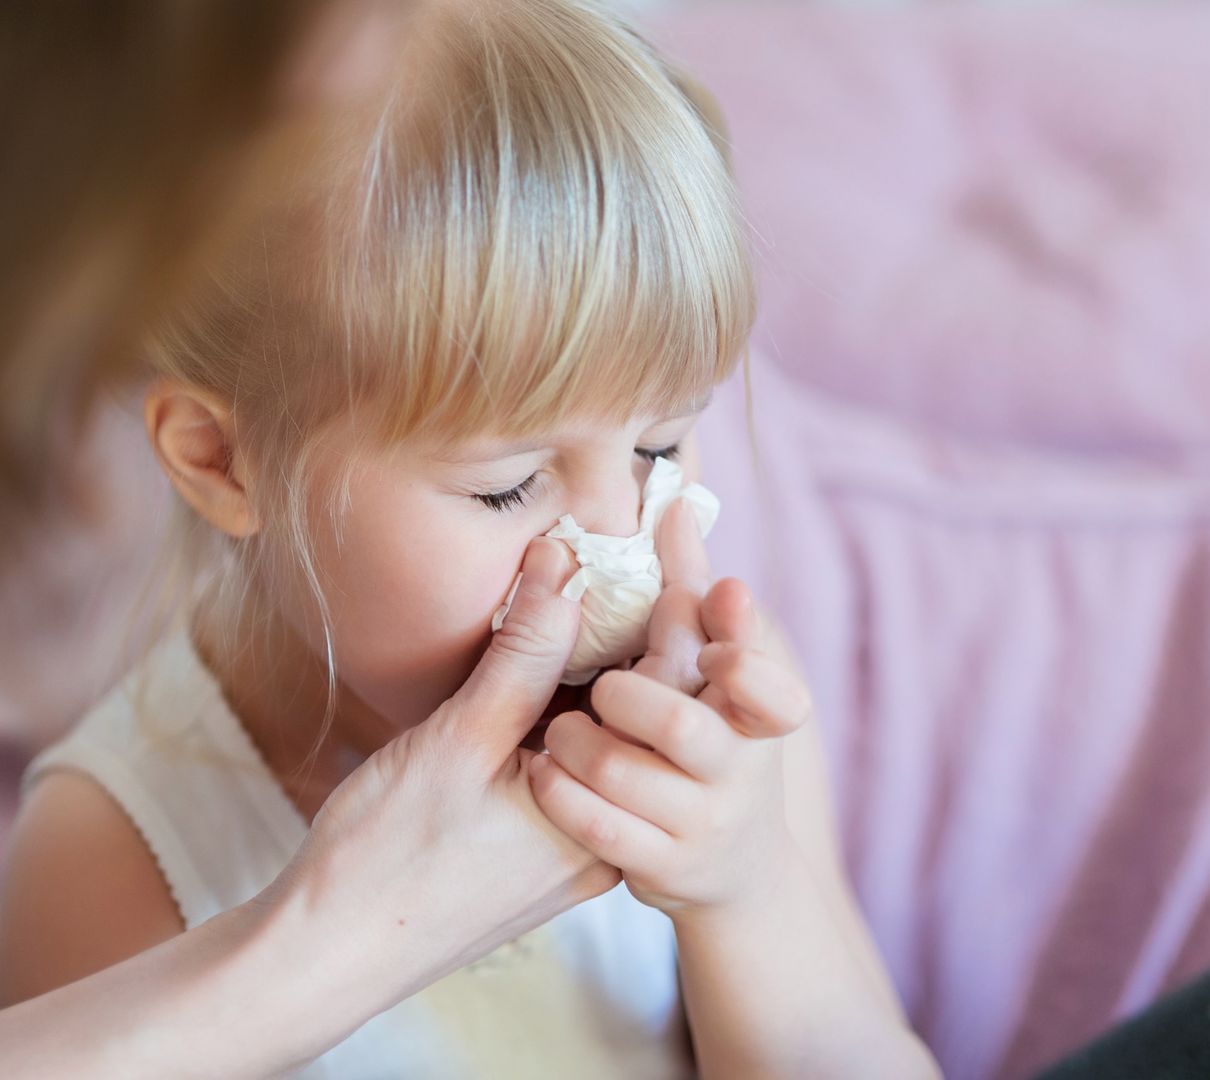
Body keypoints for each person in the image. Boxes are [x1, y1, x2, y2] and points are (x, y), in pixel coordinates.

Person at [0, 0, 937, 1075]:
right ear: (221, 461)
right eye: (509, 488)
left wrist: (749, 888)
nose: (618, 541)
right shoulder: (117, 847)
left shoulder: (715, 733)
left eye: (663, 448)